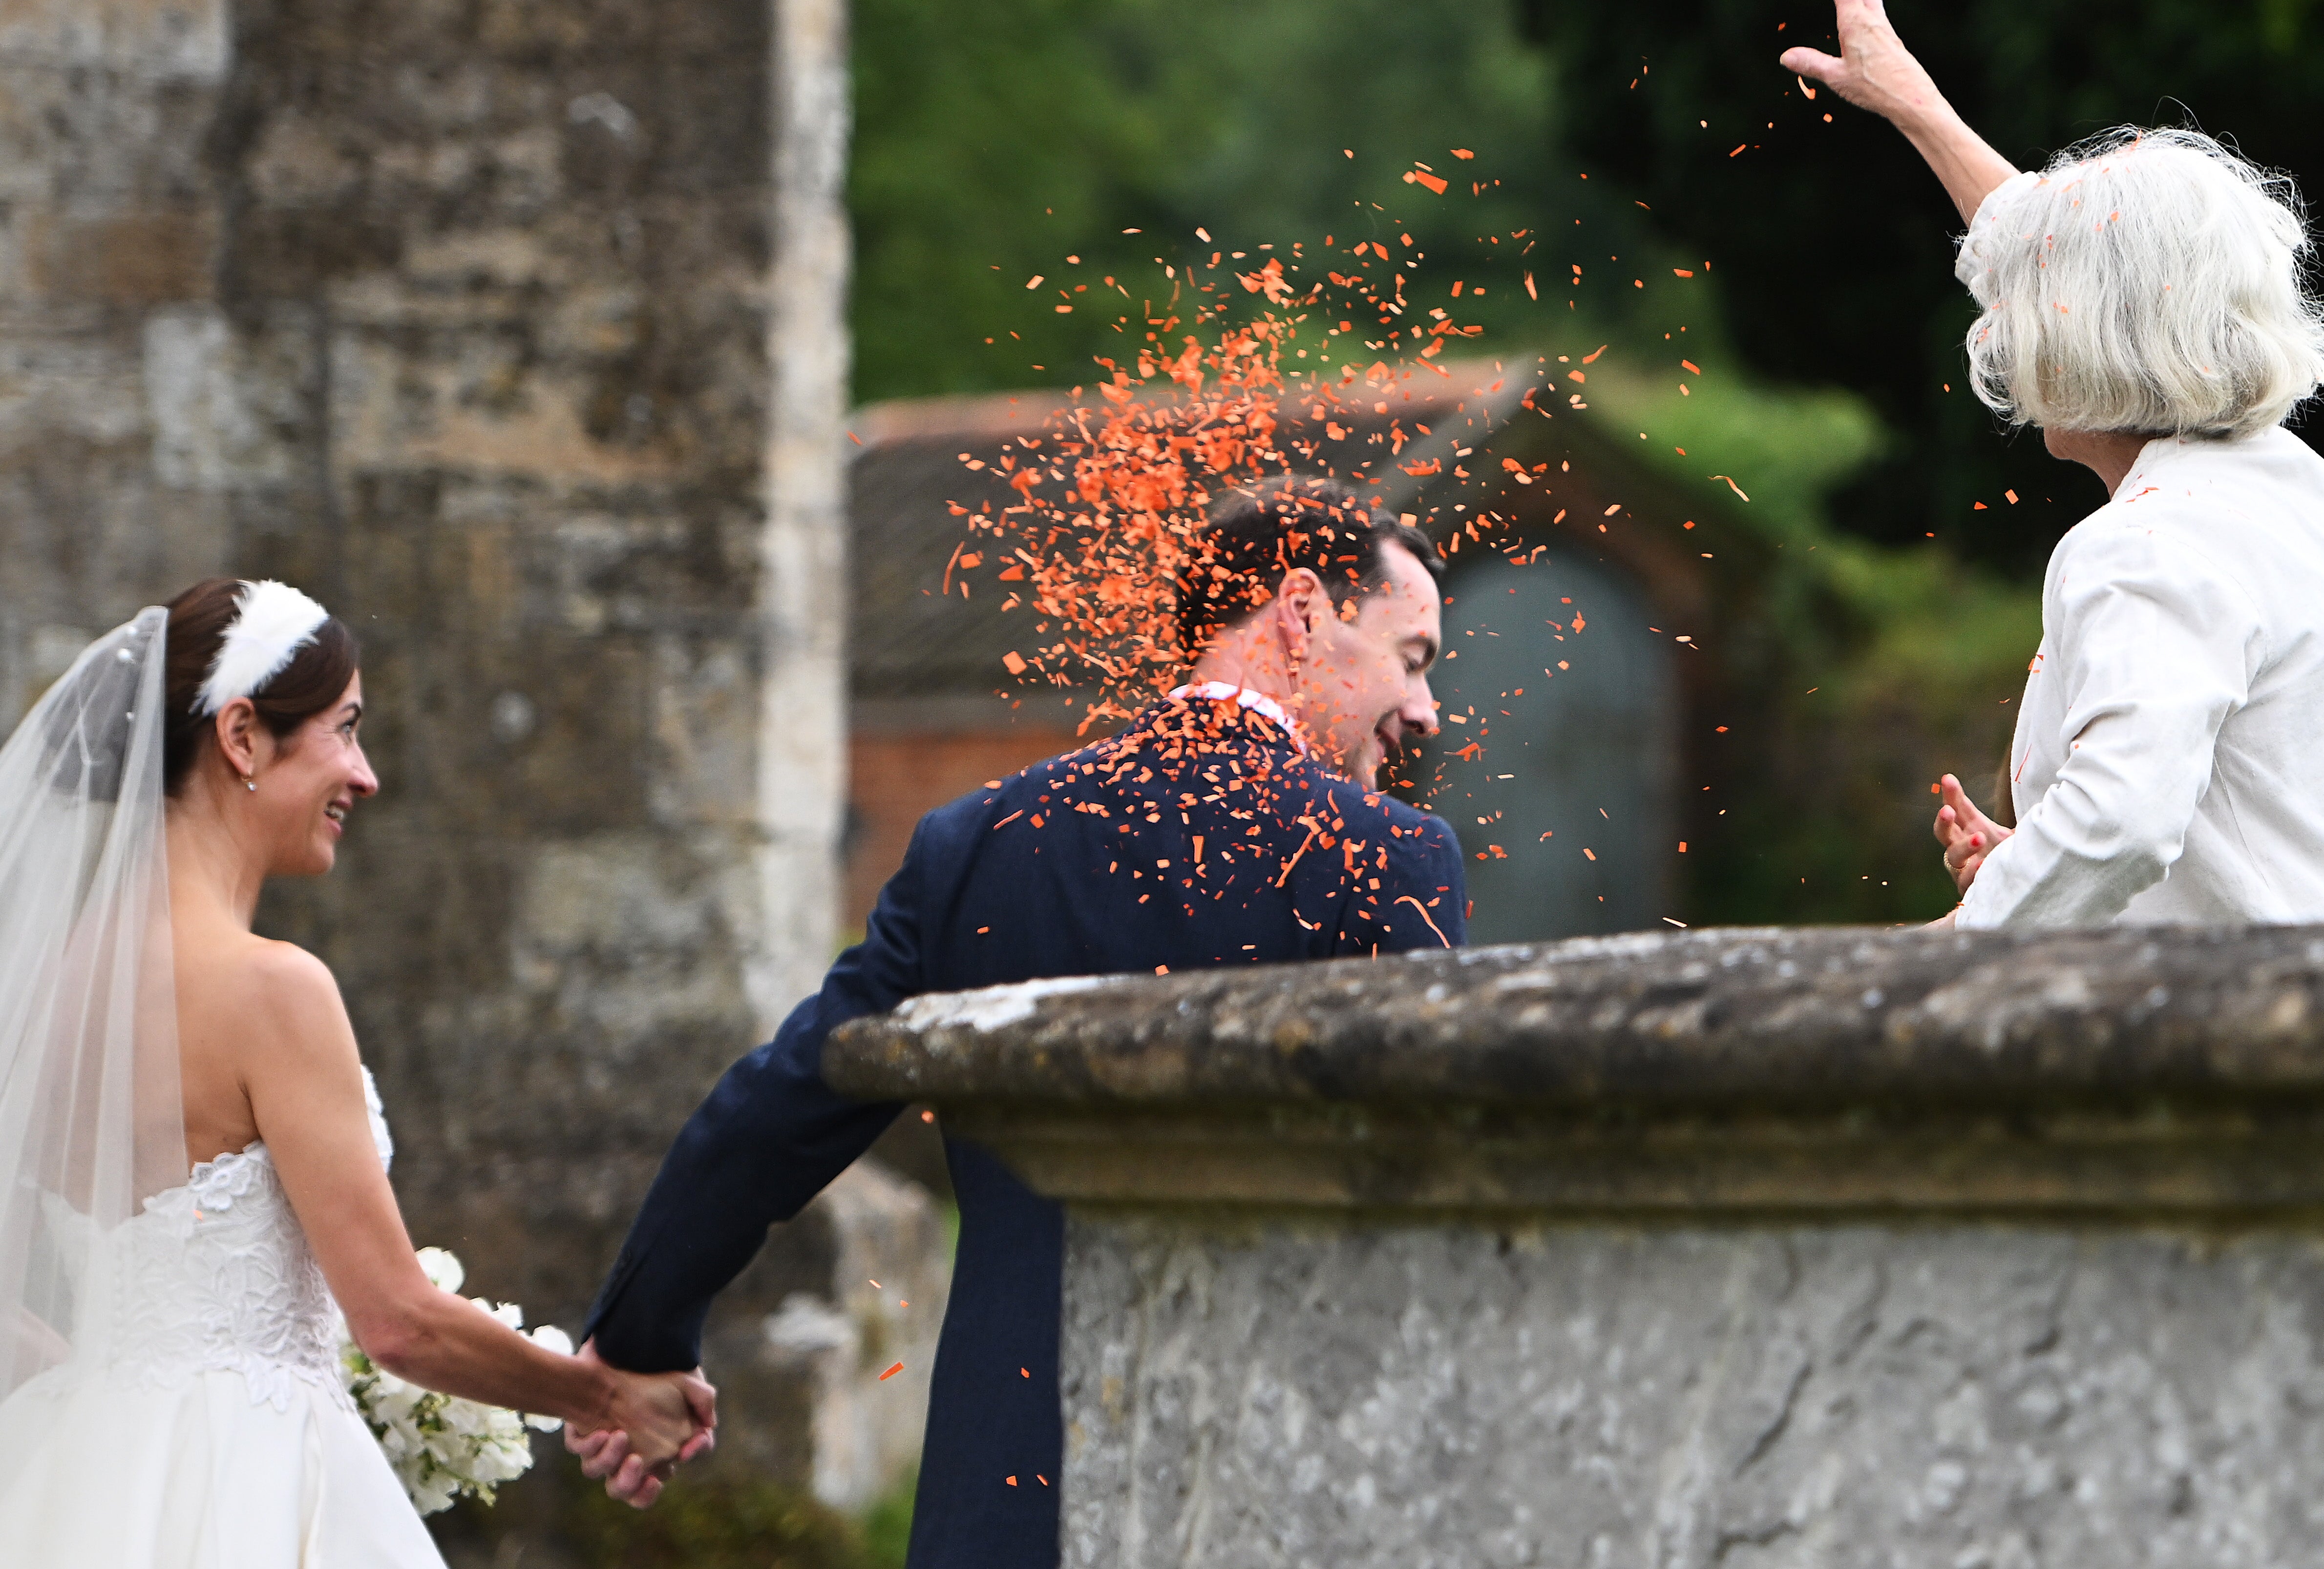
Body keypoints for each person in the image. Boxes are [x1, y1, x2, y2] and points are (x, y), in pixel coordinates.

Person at [568, 477, 1466, 1567]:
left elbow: (786, 1105)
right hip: (1276, 1489)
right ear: (1303, 610)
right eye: (1412, 658)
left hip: (1003, 1500)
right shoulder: (1385, 857)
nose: (1423, 711)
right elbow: (1429, 1190)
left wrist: (636, 1343)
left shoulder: (983, 844)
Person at [1782, 0, 2324, 930]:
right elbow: (2226, 825)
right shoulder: (2291, 485)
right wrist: (1916, 107)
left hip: (2312, 1058)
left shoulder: (2145, 546)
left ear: (2077, 343)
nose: (2007, 322)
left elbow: (2116, 824)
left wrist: (1941, 955)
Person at [0, 579, 711, 1564]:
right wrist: (606, 1394)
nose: (366, 776)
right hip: (254, 1484)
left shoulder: (40, 989)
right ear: (243, 738)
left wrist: (96, 1383)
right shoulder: (272, 990)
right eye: (345, 729)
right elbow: (398, 1324)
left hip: (74, 1486)